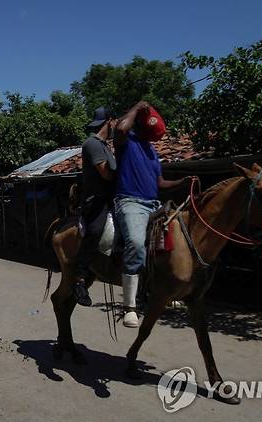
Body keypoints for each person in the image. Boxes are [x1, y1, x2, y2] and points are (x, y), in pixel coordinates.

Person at [113, 102, 190, 327]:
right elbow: (119, 129)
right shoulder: (126, 141)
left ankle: (164, 293)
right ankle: (129, 306)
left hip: (153, 203)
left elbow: (160, 183)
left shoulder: (153, 152)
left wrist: (182, 182)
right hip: (130, 202)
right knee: (136, 244)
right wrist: (136, 107)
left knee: (173, 246)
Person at [74, 106, 117, 307]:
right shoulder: (92, 144)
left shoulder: (106, 147)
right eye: (115, 122)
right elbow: (106, 174)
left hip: (112, 199)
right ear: (110, 121)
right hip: (95, 201)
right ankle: (80, 279)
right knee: (96, 229)